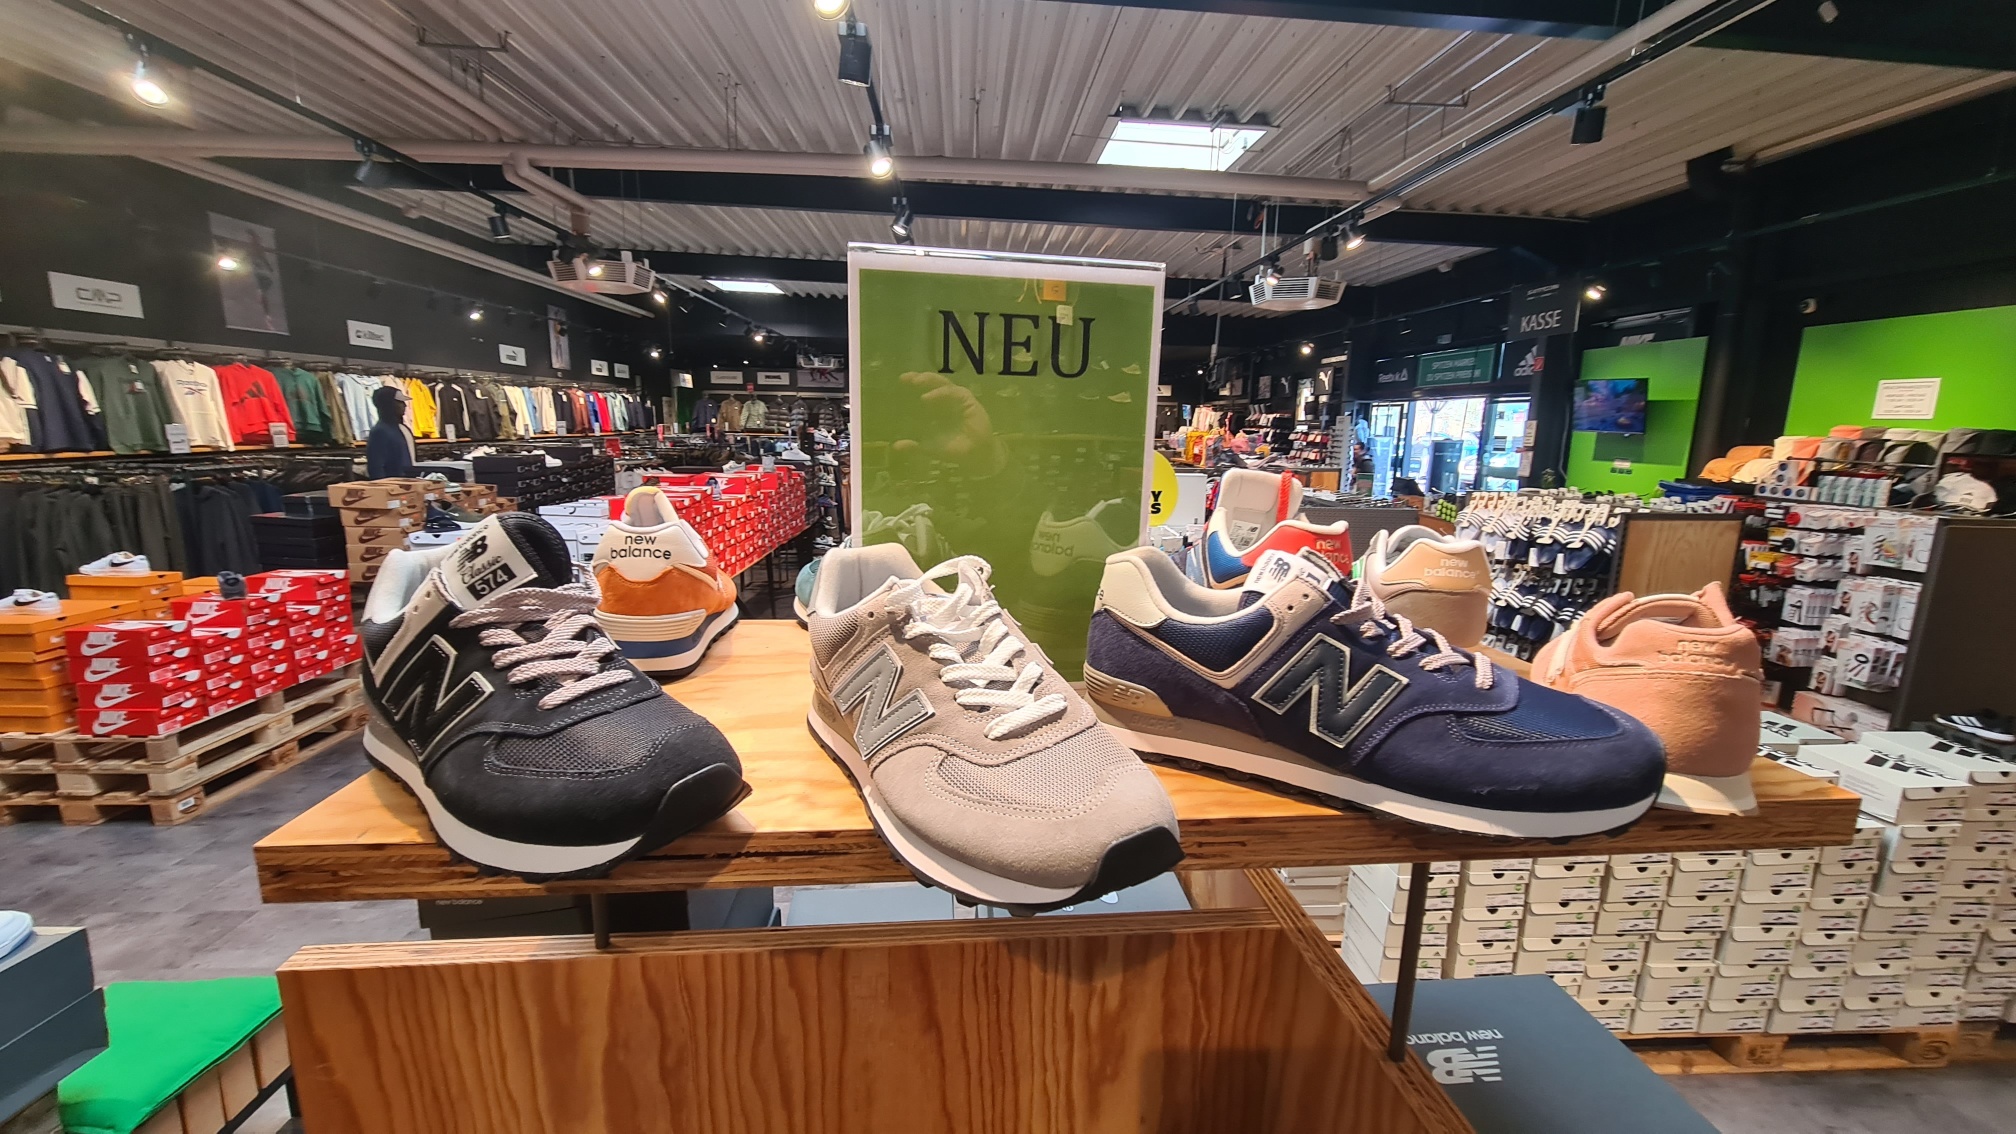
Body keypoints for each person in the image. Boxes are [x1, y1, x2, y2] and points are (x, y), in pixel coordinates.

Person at [366, 384, 416, 479]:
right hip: (394, 485)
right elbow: (376, 467)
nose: (405, 405)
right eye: (400, 402)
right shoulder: (379, 432)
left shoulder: (403, 429)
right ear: (389, 404)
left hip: (410, 482)